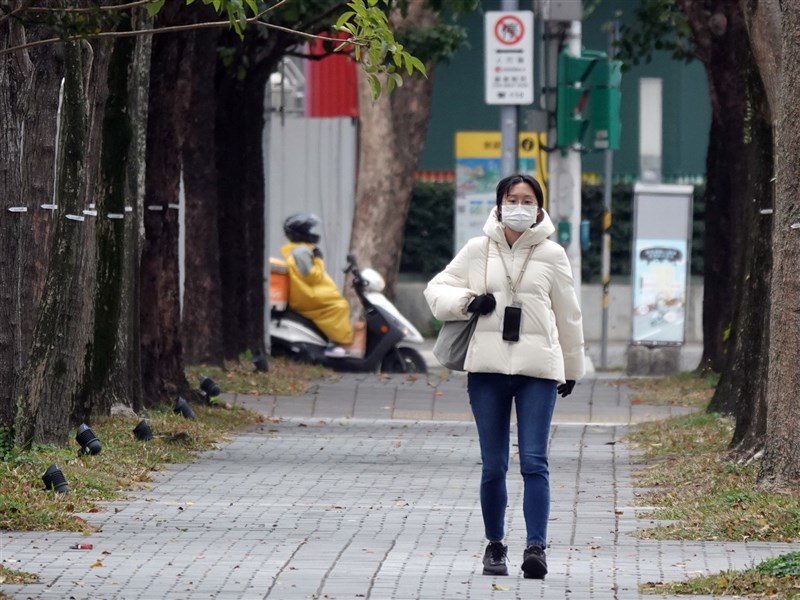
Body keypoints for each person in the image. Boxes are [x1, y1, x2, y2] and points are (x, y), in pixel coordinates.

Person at [424, 173, 584, 579]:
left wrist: (572, 368)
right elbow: (436, 289)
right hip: (488, 371)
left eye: (527, 200)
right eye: (511, 199)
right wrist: (467, 302)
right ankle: (495, 547)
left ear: (538, 206)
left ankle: (536, 548)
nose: (519, 206)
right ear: (498, 205)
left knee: (534, 461)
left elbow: (568, 315)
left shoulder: (552, 254)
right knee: (493, 464)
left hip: (538, 372)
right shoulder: (479, 249)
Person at [281, 213, 353, 357]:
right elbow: (311, 277)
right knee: (338, 307)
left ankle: (331, 342)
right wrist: (319, 260)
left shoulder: (300, 249)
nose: (312, 233)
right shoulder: (301, 251)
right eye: (309, 230)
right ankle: (334, 345)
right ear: (301, 233)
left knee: (338, 304)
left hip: (306, 292)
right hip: (307, 295)